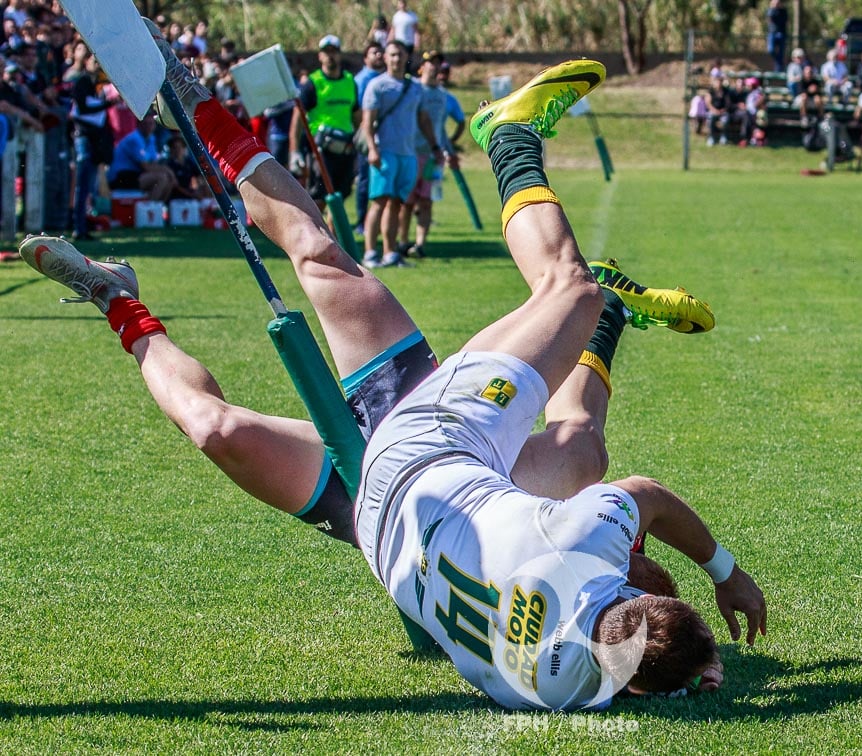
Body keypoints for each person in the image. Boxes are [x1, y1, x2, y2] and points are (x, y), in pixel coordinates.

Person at [25, 29, 766, 709]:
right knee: (568, 440)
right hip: (423, 481)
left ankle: (115, 295)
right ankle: (195, 104)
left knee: (216, 429)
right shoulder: (556, 691)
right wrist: (677, 668)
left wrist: (723, 572)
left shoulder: (585, 557)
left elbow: (640, 504)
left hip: (410, 459)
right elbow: (631, 613)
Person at [360, 40, 440, 268]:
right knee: (378, 202)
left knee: (396, 203)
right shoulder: (377, 85)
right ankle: (369, 253)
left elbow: (423, 120)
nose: (396, 59)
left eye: (400, 54)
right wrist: (373, 150)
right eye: (392, 55)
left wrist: (435, 146)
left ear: (406, 58)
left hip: (408, 154)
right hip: (385, 152)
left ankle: (390, 252)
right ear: (385, 58)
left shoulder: (415, 87)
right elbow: (368, 122)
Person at [290, 34, 358, 210]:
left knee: (339, 201)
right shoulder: (313, 83)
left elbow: (356, 115)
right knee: (317, 201)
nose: (331, 56)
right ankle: (313, 237)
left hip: (345, 150)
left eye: (334, 52)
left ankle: (332, 238)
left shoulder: (350, 81)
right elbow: (298, 119)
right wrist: (294, 151)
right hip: (320, 152)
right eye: (326, 52)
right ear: (320, 56)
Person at [396, 50, 449, 258]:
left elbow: (442, 125)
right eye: (430, 62)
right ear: (421, 66)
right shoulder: (414, 89)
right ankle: (402, 241)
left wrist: (446, 149)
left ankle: (420, 244)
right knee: (407, 202)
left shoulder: (442, 94)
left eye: (437, 63)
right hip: (411, 152)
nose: (434, 67)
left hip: (433, 156)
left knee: (426, 200)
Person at [68, 53, 117, 240]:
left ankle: (84, 225)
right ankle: (78, 227)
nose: (97, 65)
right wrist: (106, 105)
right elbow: (82, 109)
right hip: (84, 138)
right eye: (94, 60)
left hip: (95, 140)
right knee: (82, 185)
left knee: (88, 186)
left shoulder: (99, 86)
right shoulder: (82, 82)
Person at [353, 40, 387, 235]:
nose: (379, 55)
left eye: (380, 52)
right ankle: (361, 221)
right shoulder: (362, 79)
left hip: (384, 136)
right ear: (365, 58)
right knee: (365, 180)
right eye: (374, 52)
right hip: (366, 136)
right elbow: (357, 111)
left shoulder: (385, 77)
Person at [107, 111, 178, 201]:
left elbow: (153, 163)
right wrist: (169, 172)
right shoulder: (134, 139)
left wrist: (169, 174)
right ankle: (150, 208)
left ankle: (157, 207)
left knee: (168, 180)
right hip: (120, 177)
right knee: (162, 178)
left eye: (151, 123)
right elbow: (146, 167)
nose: (149, 126)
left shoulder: (151, 138)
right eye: (145, 124)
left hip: (134, 175)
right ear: (139, 125)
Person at [765, 0, 788, 72]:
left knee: (781, 53)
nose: (776, 4)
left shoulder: (783, 11)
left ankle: (778, 70)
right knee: (770, 50)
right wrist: (773, 7)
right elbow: (769, 18)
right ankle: (779, 62)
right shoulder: (770, 11)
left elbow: (786, 21)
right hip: (772, 33)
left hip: (781, 33)